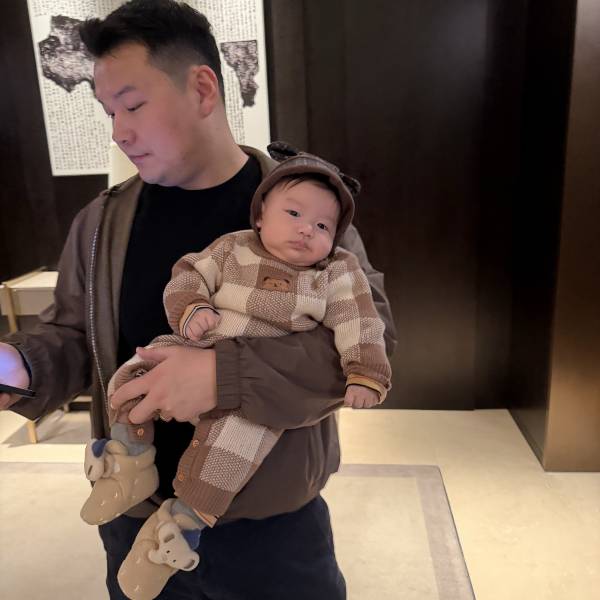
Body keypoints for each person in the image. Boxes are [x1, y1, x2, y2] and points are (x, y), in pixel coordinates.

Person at [0, 1, 396, 598]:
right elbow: (76, 337)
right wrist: (20, 364)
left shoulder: (306, 214)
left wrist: (223, 376)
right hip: (134, 518)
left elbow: (371, 343)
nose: (119, 132)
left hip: (272, 527)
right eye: (109, 112)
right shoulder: (101, 222)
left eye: (133, 105)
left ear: (203, 89)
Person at [81, 143, 392, 598]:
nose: (306, 230)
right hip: (196, 340)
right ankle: (129, 458)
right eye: (293, 213)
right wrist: (192, 308)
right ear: (260, 215)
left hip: (257, 402)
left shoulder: (336, 272)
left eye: (323, 226)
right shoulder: (232, 247)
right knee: (134, 374)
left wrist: (364, 372)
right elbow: (189, 273)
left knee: (226, 457)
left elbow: (361, 323)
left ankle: (177, 529)